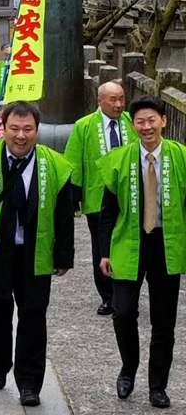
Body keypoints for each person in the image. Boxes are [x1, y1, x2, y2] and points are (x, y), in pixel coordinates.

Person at [0, 101, 74, 408]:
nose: (21, 136)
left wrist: (63, 256)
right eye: (15, 129)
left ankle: (30, 383)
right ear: (2, 128)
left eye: (28, 129)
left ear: (37, 131)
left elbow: (64, 215)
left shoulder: (56, 165)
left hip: (35, 251)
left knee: (33, 318)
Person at [98, 95, 186, 409]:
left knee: (164, 323)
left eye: (152, 120)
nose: (146, 127)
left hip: (167, 244)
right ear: (132, 124)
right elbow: (107, 212)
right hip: (128, 244)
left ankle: (158, 386)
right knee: (122, 312)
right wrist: (104, 251)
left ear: (163, 121)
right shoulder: (119, 160)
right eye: (140, 121)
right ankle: (128, 368)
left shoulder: (180, 157)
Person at [64, 82, 136, 316]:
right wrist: (74, 196)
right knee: (101, 246)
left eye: (121, 99)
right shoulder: (83, 126)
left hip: (128, 196)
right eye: (113, 100)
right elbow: (73, 161)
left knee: (126, 244)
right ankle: (107, 296)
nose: (118, 104)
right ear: (99, 101)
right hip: (97, 196)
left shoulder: (131, 123)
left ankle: (125, 293)